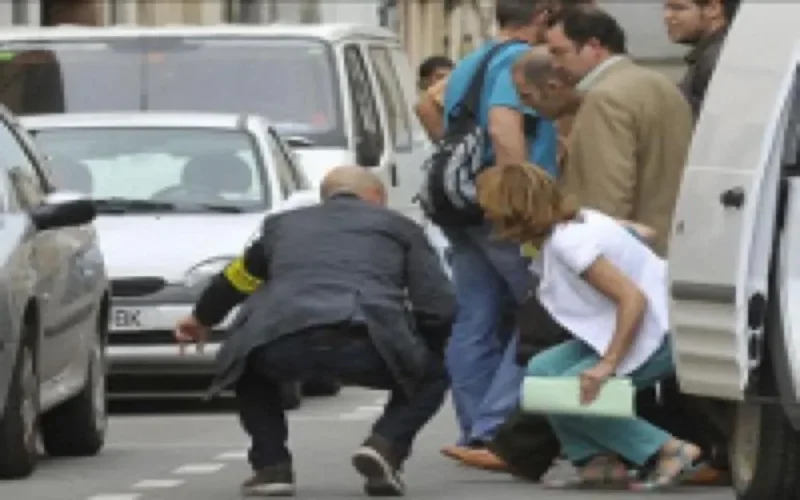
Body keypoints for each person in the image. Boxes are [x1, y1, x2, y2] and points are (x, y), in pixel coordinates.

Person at [173, 166, 455, 497]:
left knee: (251, 368)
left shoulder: (282, 226)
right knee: (433, 375)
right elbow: (437, 305)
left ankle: (271, 467)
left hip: (281, 337)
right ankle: (386, 446)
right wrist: (422, 349)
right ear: (377, 199)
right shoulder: (401, 228)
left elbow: (235, 280)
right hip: (367, 338)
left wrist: (201, 319)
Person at [476, 162, 706, 491]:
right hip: (654, 322)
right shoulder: (578, 220)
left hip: (662, 333)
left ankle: (669, 450)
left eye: (490, 207)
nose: (487, 216)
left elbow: (633, 299)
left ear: (513, 209)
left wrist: (607, 365)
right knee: (542, 369)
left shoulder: (571, 244)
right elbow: (646, 232)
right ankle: (596, 462)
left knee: (566, 394)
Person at [437, 0, 559, 464]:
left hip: (463, 205)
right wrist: (520, 200)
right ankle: (496, 429)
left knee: (475, 318)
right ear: (542, 16)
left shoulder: (472, 61)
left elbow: (428, 107)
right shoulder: (514, 61)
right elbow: (504, 126)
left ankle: (474, 430)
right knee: (540, 313)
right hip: (503, 210)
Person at [546, 6, 693, 257]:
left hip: (628, 255)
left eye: (560, 53)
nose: (554, 64)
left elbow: (605, 199)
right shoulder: (662, 84)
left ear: (594, 47)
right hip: (671, 242)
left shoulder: (604, 98)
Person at [664, 0, 740, 119]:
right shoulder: (718, 54)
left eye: (678, 8)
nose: (667, 16)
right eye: (666, 8)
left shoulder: (718, 61)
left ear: (713, 9)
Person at [415, 55, 454, 141]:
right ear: (425, 82)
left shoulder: (453, 109)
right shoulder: (421, 108)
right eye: (440, 77)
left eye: (451, 78)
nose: (446, 83)